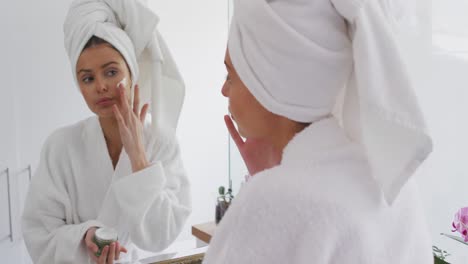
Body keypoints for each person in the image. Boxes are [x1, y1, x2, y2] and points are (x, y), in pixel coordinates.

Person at [203, 0, 433, 263]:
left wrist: (269, 183)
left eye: (230, 75)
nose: (224, 90)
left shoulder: (274, 201)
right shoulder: (392, 183)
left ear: (268, 81)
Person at [21, 0, 191, 263]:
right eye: (87, 78)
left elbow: (162, 235)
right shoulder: (60, 147)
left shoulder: (161, 143)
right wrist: (85, 235)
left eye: (111, 72)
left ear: (131, 72)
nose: (100, 86)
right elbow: (38, 234)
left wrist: (139, 161)